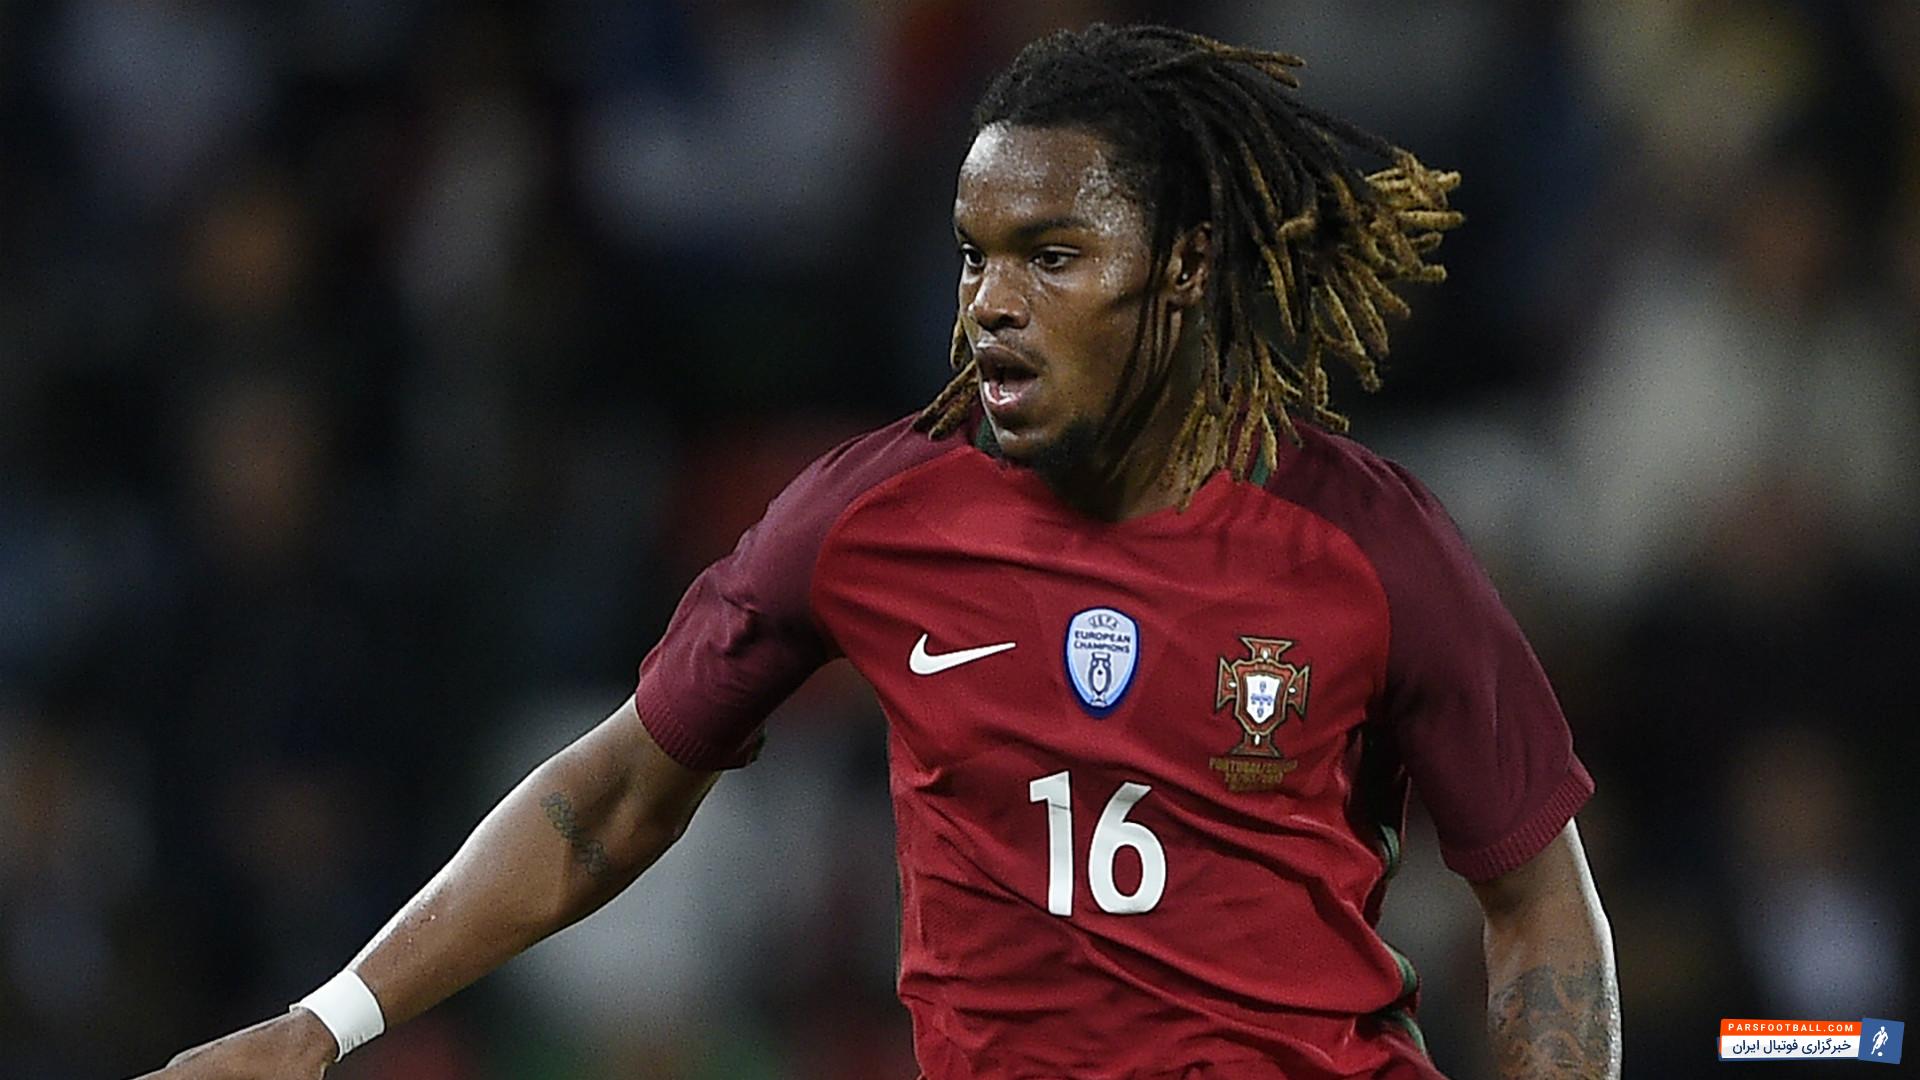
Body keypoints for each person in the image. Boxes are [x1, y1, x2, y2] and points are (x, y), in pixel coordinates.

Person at [138, 23, 1620, 1080]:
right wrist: (325, 1025)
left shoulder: (1365, 545)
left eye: (1053, 256)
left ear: (1183, 270)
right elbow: (612, 798)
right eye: (975, 255)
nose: (991, 303)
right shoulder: (874, 520)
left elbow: (1539, 899)